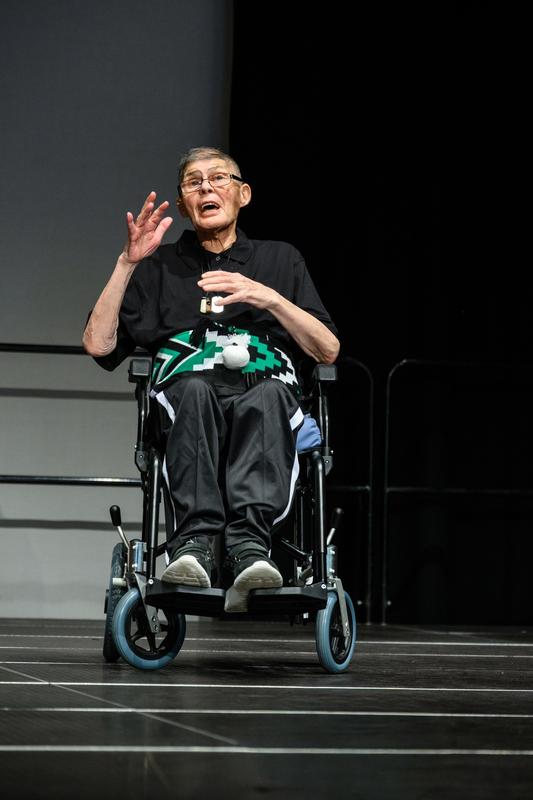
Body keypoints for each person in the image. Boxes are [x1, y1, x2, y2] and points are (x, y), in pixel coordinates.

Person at [83, 146, 340, 612]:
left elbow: (328, 350)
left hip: (266, 386)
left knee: (266, 396)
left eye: (219, 178)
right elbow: (99, 346)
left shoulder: (280, 260)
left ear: (243, 194)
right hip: (186, 387)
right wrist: (127, 262)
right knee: (196, 390)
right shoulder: (158, 266)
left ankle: (249, 550)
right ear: (183, 205)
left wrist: (267, 297)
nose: (206, 187)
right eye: (193, 182)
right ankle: (194, 547)